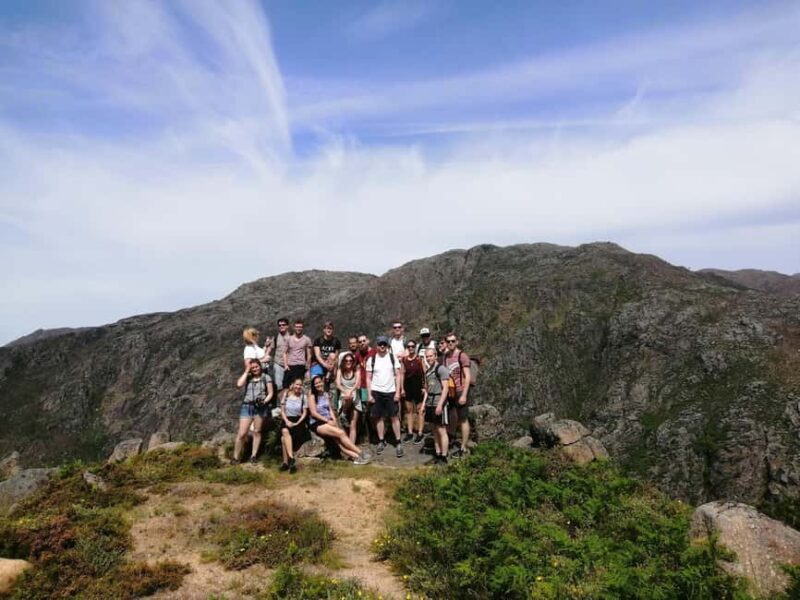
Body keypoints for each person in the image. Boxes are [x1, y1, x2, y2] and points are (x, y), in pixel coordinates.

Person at [307, 376, 370, 464]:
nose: (318, 384)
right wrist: (327, 420)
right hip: (317, 423)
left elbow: (330, 409)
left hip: (328, 421)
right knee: (341, 433)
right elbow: (314, 413)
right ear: (313, 386)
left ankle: (356, 457)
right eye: (316, 383)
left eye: (319, 382)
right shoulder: (312, 397)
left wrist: (334, 421)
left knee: (339, 442)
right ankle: (360, 453)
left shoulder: (325, 394)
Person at [367, 336, 404, 457]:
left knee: (394, 417)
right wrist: (369, 394)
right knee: (379, 417)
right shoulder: (371, 359)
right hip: (376, 391)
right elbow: (368, 378)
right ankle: (381, 440)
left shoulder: (393, 358)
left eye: (384, 344)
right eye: (380, 344)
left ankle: (398, 442)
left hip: (391, 391)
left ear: (387, 345)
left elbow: (398, 375)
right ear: (376, 346)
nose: (382, 346)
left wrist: (398, 392)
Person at [234, 360, 274, 463]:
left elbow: (270, 393)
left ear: (260, 366)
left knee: (257, 431)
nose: (255, 369)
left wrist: (264, 401)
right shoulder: (248, 377)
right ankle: (235, 457)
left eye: (256, 367)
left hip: (260, 407)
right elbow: (239, 384)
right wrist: (247, 371)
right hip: (247, 406)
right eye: (253, 368)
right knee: (242, 433)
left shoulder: (266, 377)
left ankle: (253, 456)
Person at [444, 332, 471, 457]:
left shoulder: (462, 356)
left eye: (453, 341)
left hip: (460, 391)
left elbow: (468, 376)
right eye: (448, 341)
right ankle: (452, 439)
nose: (450, 343)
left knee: (463, 419)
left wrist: (464, 395)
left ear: (457, 342)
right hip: (450, 392)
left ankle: (463, 447)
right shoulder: (446, 357)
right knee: (452, 417)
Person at [424, 348, 450, 464]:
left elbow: (446, 388)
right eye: (427, 356)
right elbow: (427, 389)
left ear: (435, 356)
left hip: (438, 402)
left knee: (441, 429)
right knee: (434, 429)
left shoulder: (441, 369)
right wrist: (424, 404)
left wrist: (440, 405)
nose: (429, 358)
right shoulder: (428, 371)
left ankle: (444, 456)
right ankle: (437, 453)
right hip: (430, 402)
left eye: (430, 356)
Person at [279, 377, 307, 473]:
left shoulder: (303, 397)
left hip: (298, 421)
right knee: (284, 430)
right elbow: (282, 411)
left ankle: (286, 462)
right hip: (287, 419)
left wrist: (297, 423)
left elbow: (304, 413)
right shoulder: (286, 395)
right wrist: (286, 421)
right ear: (293, 385)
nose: (298, 386)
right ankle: (291, 459)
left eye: (300, 385)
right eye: (297, 384)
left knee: (283, 438)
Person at [401, 340, 426, 444]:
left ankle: (420, 432)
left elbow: (425, 373)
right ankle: (410, 432)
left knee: (420, 410)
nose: (411, 348)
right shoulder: (404, 360)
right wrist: (402, 388)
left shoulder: (420, 359)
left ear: (415, 347)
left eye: (412, 346)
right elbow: (402, 374)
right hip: (408, 387)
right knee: (409, 410)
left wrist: (425, 386)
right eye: (409, 346)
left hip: (418, 387)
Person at [336, 352, 362, 445]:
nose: (348, 362)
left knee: (353, 424)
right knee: (347, 396)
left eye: (350, 360)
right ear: (343, 361)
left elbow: (357, 383)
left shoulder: (356, 370)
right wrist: (345, 391)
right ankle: (344, 412)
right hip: (344, 395)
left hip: (354, 395)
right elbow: (338, 384)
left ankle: (352, 447)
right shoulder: (340, 371)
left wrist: (350, 391)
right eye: (346, 360)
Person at [283, 319, 313, 386]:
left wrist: (308, 368)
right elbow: (285, 353)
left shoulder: (307, 339)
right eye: (297, 327)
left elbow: (309, 355)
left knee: (298, 386)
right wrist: (285, 365)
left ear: (302, 328)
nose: (298, 328)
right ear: (294, 327)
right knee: (286, 385)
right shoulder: (288, 339)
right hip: (290, 366)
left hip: (301, 366)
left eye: (300, 327)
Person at [266, 317, 291, 392]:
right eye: (279, 325)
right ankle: (281, 403)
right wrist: (264, 357)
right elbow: (270, 349)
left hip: (290, 364)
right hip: (278, 364)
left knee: (290, 386)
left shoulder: (292, 337)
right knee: (279, 386)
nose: (281, 326)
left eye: (283, 325)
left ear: (287, 326)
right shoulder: (276, 338)